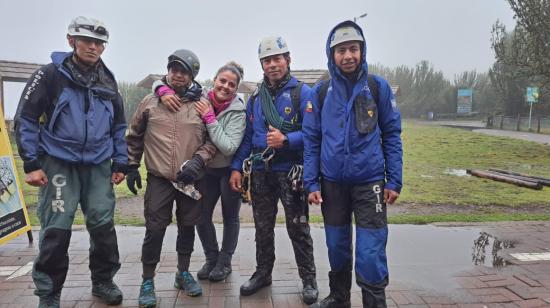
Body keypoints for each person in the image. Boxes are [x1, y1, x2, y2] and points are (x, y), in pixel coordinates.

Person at [14, 16, 128, 307]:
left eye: (99, 43)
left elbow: (118, 125)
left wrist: (120, 162)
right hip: (58, 163)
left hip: (99, 164)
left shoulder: (108, 79)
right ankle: (49, 292)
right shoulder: (49, 75)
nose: (93, 47)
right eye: (87, 41)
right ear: (71, 41)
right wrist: (31, 162)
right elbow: (25, 118)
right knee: (57, 229)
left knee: (103, 226)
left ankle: (103, 280)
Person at [303, 21, 403, 308]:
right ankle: (338, 297)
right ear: (331, 55)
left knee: (370, 250)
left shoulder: (377, 87)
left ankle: (374, 301)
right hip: (332, 183)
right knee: (336, 245)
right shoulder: (320, 93)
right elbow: (311, 140)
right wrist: (311, 182)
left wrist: (394, 180)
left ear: (362, 51)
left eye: (353, 49)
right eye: (341, 50)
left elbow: (392, 135)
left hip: (369, 182)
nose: (348, 56)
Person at [229, 36, 318, 304]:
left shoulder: (303, 93)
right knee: (262, 227)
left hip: (291, 171)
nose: (272, 65)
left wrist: (287, 140)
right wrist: (236, 168)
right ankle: (263, 273)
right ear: (262, 64)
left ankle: (309, 279)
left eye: (277, 59)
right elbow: (247, 138)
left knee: (298, 227)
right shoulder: (256, 97)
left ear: (287, 60)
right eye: (267, 60)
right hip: (260, 171)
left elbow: (315, 134)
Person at [125, 49, 216, 308]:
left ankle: (183, 273)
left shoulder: (202, 105)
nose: (177, 74)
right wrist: (132, 166)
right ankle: (147, 280)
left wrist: (199, 160)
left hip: (189, 179)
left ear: (192, 75)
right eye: (173, 68)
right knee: (154, 230)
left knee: (187, 227)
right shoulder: (150, 102)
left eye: (183, 70)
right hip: (159, 179)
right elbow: (134, 135)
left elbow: (212, 141)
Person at [154, 62, 246, 282]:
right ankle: (211, 257)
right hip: (204, 170)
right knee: (201, 216)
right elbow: (161, 81)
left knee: (230, 217)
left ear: (236, 88)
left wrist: (210, 119)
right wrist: (161, 89)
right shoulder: (200, 96)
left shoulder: (238, 110)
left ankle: (225, 262)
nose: (225, 87)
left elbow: (228, 147)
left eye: (231, 84)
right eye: (222, 81)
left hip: (228, 169)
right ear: (214, 79)